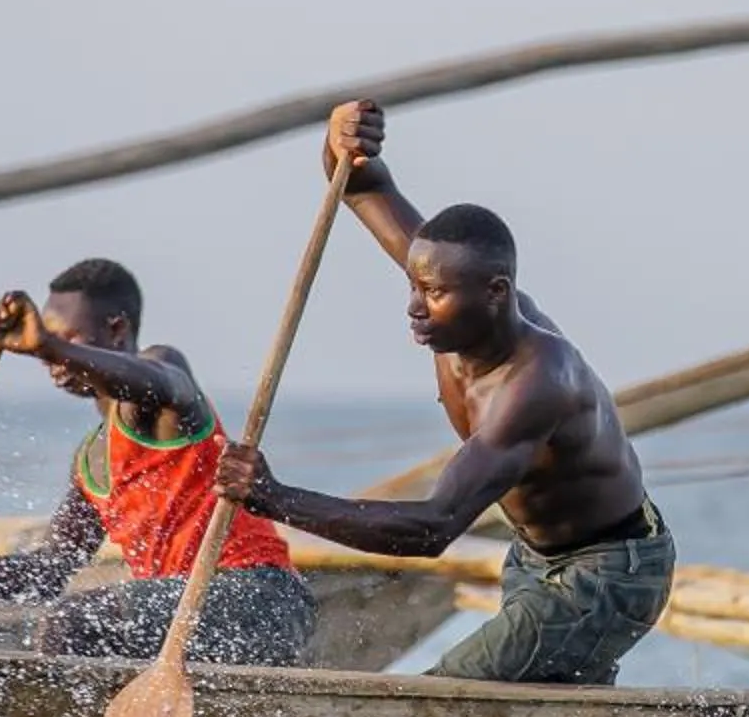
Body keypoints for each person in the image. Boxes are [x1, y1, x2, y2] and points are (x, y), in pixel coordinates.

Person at [214, 101, 673, 686]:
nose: (413, 305)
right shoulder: (453, 289)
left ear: (495, 292)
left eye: (432, 292)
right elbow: (357, 186)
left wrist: (273, 497)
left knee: (442, 696)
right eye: (412, 283)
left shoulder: (536, 383)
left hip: (611, 572)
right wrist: (341, 137)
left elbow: (431, 528)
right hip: (535, 558)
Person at [0, 258, 315, 665]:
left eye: (68, 338)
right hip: (186, 612)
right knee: (72, 625)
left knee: (76, 622)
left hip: (261, 599)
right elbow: (44, 576)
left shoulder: (161, 378)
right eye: (46, 340)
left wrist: (48, 347)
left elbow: (158, 382)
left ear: (118, 330)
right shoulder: (89, 463)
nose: (51, 359)